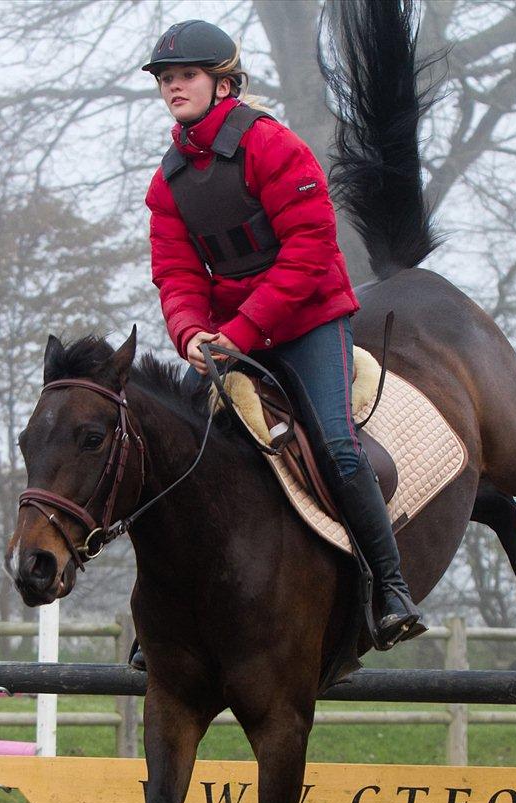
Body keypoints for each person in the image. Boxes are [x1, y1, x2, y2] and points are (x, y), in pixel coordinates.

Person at [140, 19, 423, 649]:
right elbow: (176, 273)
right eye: (165, 78)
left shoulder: (274, 147)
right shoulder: (167, 184)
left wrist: (240, 330)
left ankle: (390, 587)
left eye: (186, 75)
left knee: (336, 447)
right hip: (231, 335)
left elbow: (310, 252)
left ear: (224, 84)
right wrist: (190, 332)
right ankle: (170, 609)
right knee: (175, 447)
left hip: (309, 319)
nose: (173, 87)